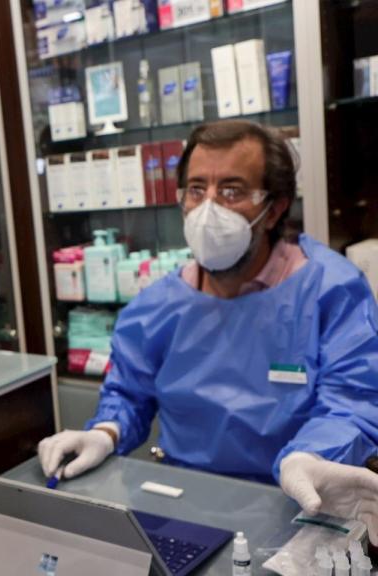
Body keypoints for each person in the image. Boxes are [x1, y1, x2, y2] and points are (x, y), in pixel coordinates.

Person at [38, 120, 378, 541]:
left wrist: (310, 456)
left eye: (231, 191)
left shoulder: (330, 290)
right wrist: (104, 432)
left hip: (300, 507)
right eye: (196, 190)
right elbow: (128, 394)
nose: (208, 208)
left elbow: (352, 402)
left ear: (274, 208)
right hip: (183, 505)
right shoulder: (156, 306)